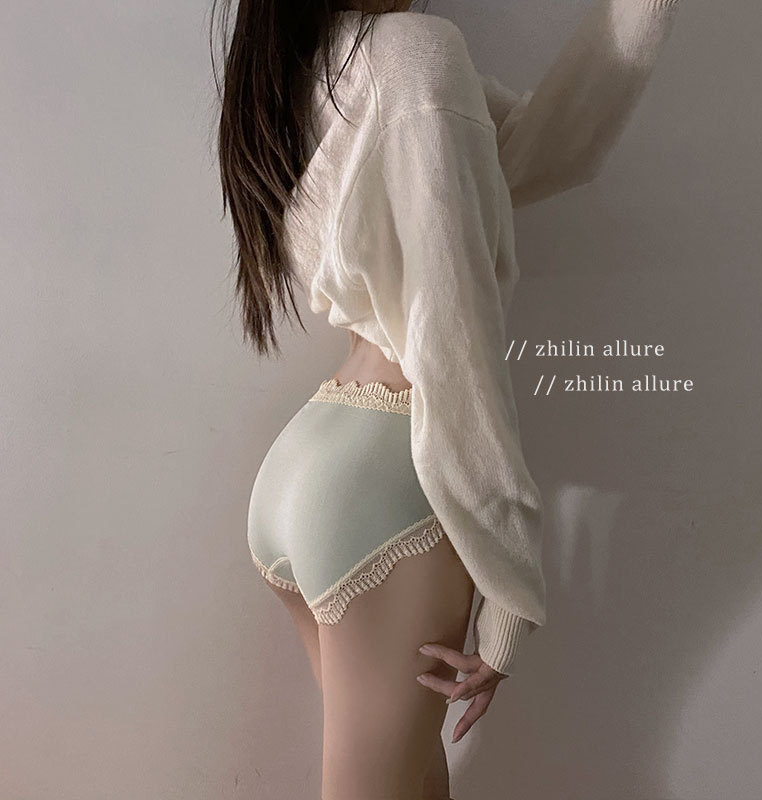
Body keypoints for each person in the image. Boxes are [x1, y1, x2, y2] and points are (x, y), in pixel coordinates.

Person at [210, 0, 682, 797]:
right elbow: (452, 332)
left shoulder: (319, 61)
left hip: (315, 468)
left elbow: (544, 149)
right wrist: (510, 581)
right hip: (390, 480)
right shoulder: (413, 53)